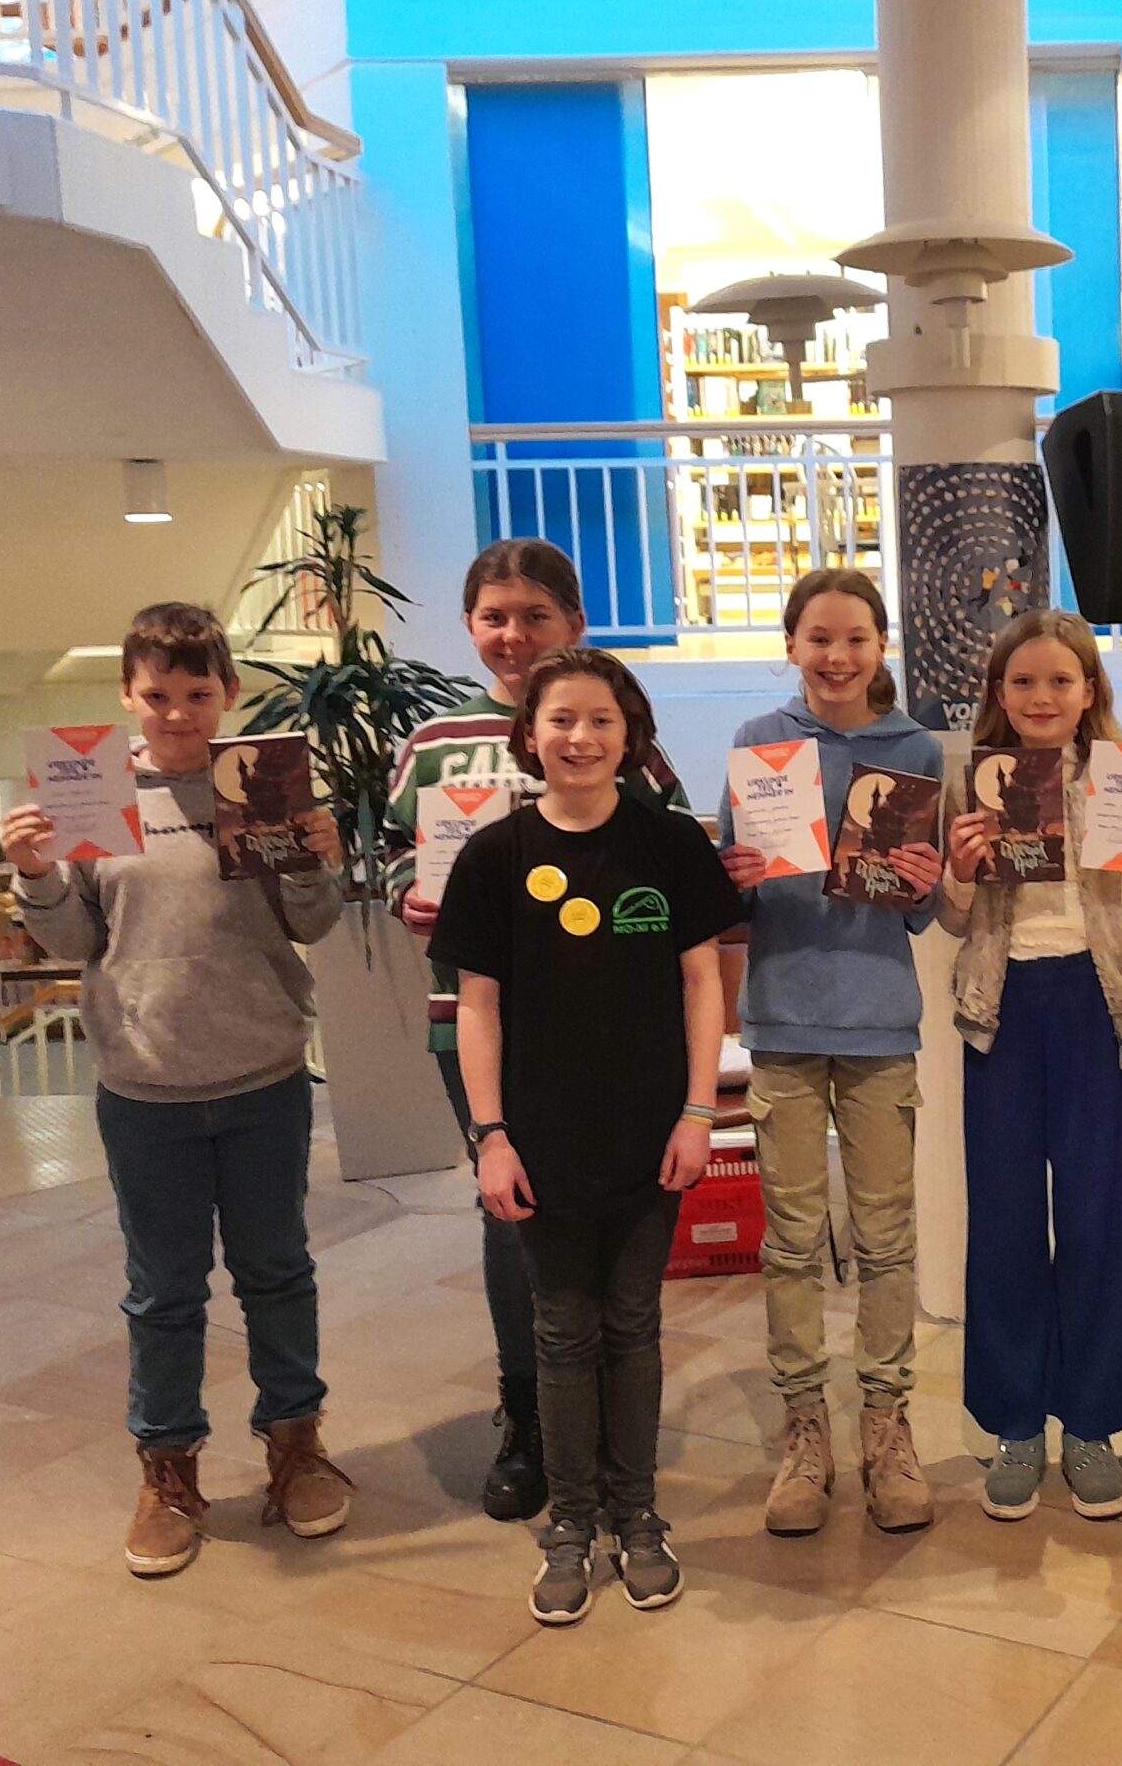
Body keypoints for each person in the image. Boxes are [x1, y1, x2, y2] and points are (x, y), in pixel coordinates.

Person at [4, 602, 352, 1578]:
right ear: (128, 693)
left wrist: (318, 860)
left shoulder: (260, 785)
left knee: (277, 1272)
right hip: (144, 1091)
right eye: (157, 694)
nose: (177, 712)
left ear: (227, 694)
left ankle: (295, 1446)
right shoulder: (92, 799)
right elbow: (73, 942)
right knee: (162, 1292)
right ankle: (167, 1470)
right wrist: (34, 872)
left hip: (264, 1080)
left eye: (198, 693)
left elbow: (311, 925)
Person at [427, 647, 745, 1626]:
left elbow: (704, 983)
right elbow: (474, 1008)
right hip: (542, 1139)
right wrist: (491, 1136)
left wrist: (700, 1113)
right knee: (563, 1333)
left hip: (652, 1132)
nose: (580, 737)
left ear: (628, 735)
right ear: (530, 736)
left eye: (600, 721)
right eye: (560, 720)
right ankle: (571, 1526)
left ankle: (638, 1517)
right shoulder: (494, 856)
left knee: (635, 1326)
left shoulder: (669, 845)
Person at [386, 540, 691, 1523]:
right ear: (472, 627)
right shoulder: (432, 742)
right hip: (473, 1021)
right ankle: (526, 1415)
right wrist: (417, 899)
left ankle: (606, 1418)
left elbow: (671, 863)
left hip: (604, 1030)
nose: (512, 635)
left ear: (574, 628)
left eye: (533, 616)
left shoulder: (617, 734)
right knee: (508, 1212)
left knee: (617, 1223)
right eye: (493, 616)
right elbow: (393, 861)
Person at [939, 611, 1122, 1523]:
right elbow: (956, 919)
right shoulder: (973, 780)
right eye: (1024, 684)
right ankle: (1012, 1425)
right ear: (1000, 695)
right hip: (999, 1014)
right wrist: (962, 868)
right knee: (1004, 1222)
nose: (1042, 699)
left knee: (1095, 1220)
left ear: (1091, 692)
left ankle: (1091, 1422)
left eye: (1061, 682)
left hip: (1095, 1006)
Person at [717, 568, 944, 1537]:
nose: (837, 656)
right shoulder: (756, 743)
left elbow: (926, 912)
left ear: (881, 645)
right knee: (794, 1242)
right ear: (792, 645)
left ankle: (886, 1426)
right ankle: (803, 1429)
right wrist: (729, 875)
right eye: (819, 638)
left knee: (888, 1239)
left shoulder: (915, 748)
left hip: (880, 1021)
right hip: (781, 1021)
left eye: (855, 637)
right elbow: (732, 900)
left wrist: (928, 879)